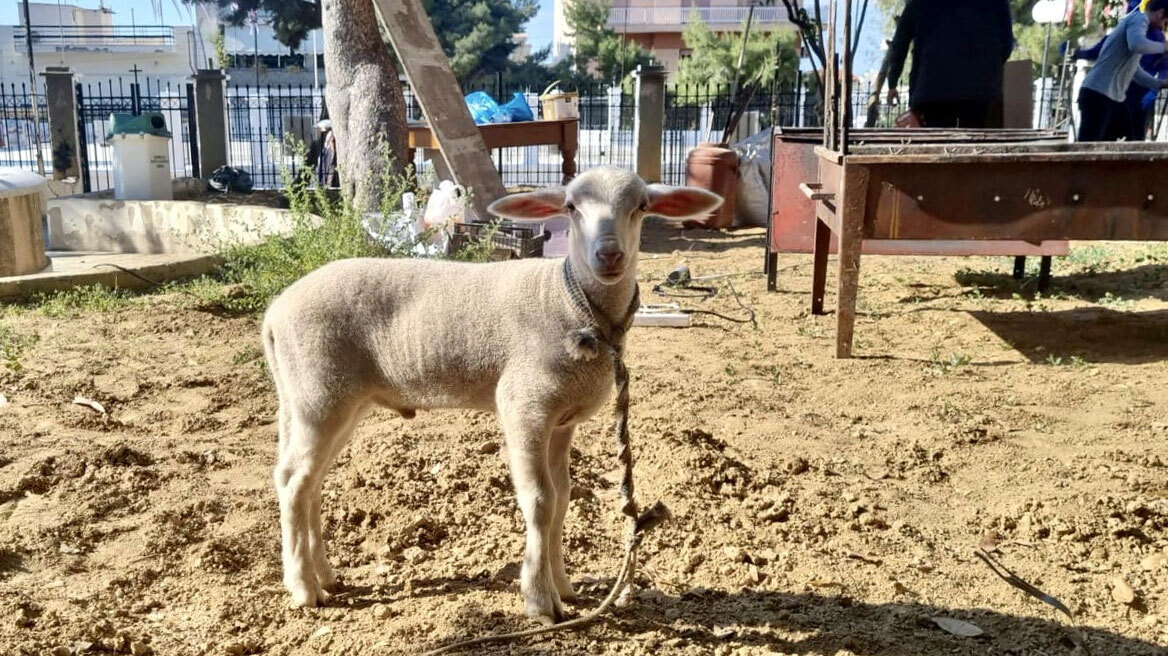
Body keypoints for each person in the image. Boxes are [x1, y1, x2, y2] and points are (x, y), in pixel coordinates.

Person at [885, 0, 1015, 128]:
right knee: (974, 135)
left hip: (933, 86)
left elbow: (900, 43)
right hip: (979, 86)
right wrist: (989, 67)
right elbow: (1007, 42)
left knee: (937, 139)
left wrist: (893, 81)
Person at [1073, 0, 1168, 141]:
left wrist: (1158, 84)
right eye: (1165, 22)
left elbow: (1135, 71)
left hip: (1114, 98)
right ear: (1160, 13)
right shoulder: (1139, 19)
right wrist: (1164, 47)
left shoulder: (1137, 32)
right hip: (1098, 94)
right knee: (1088, 146)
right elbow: (1137, 45)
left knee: (1129, 140)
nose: (1162, 28)